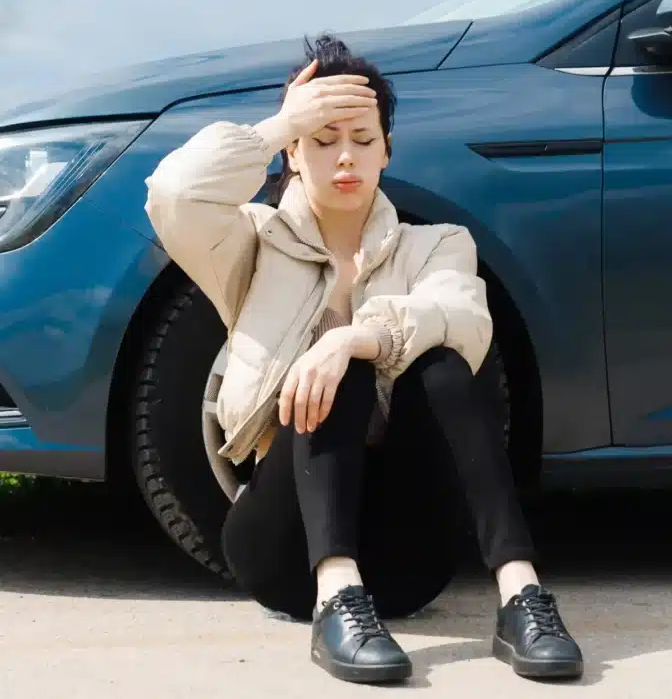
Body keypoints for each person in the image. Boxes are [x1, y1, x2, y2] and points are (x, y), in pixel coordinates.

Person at [143, 34, 584, 684]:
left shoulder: (437, 244)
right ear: (294, 155)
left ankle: (522, 596)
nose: (345, 156)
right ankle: (336, 600)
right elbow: (175, 193)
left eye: (362, 139)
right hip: (284, 549)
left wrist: (350, 336)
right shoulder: (250, 244)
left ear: (386, 150)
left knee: (442, 364)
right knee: (340, 376)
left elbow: (463, 318)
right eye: (322, 140)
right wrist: (279, 123)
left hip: (407, 557)